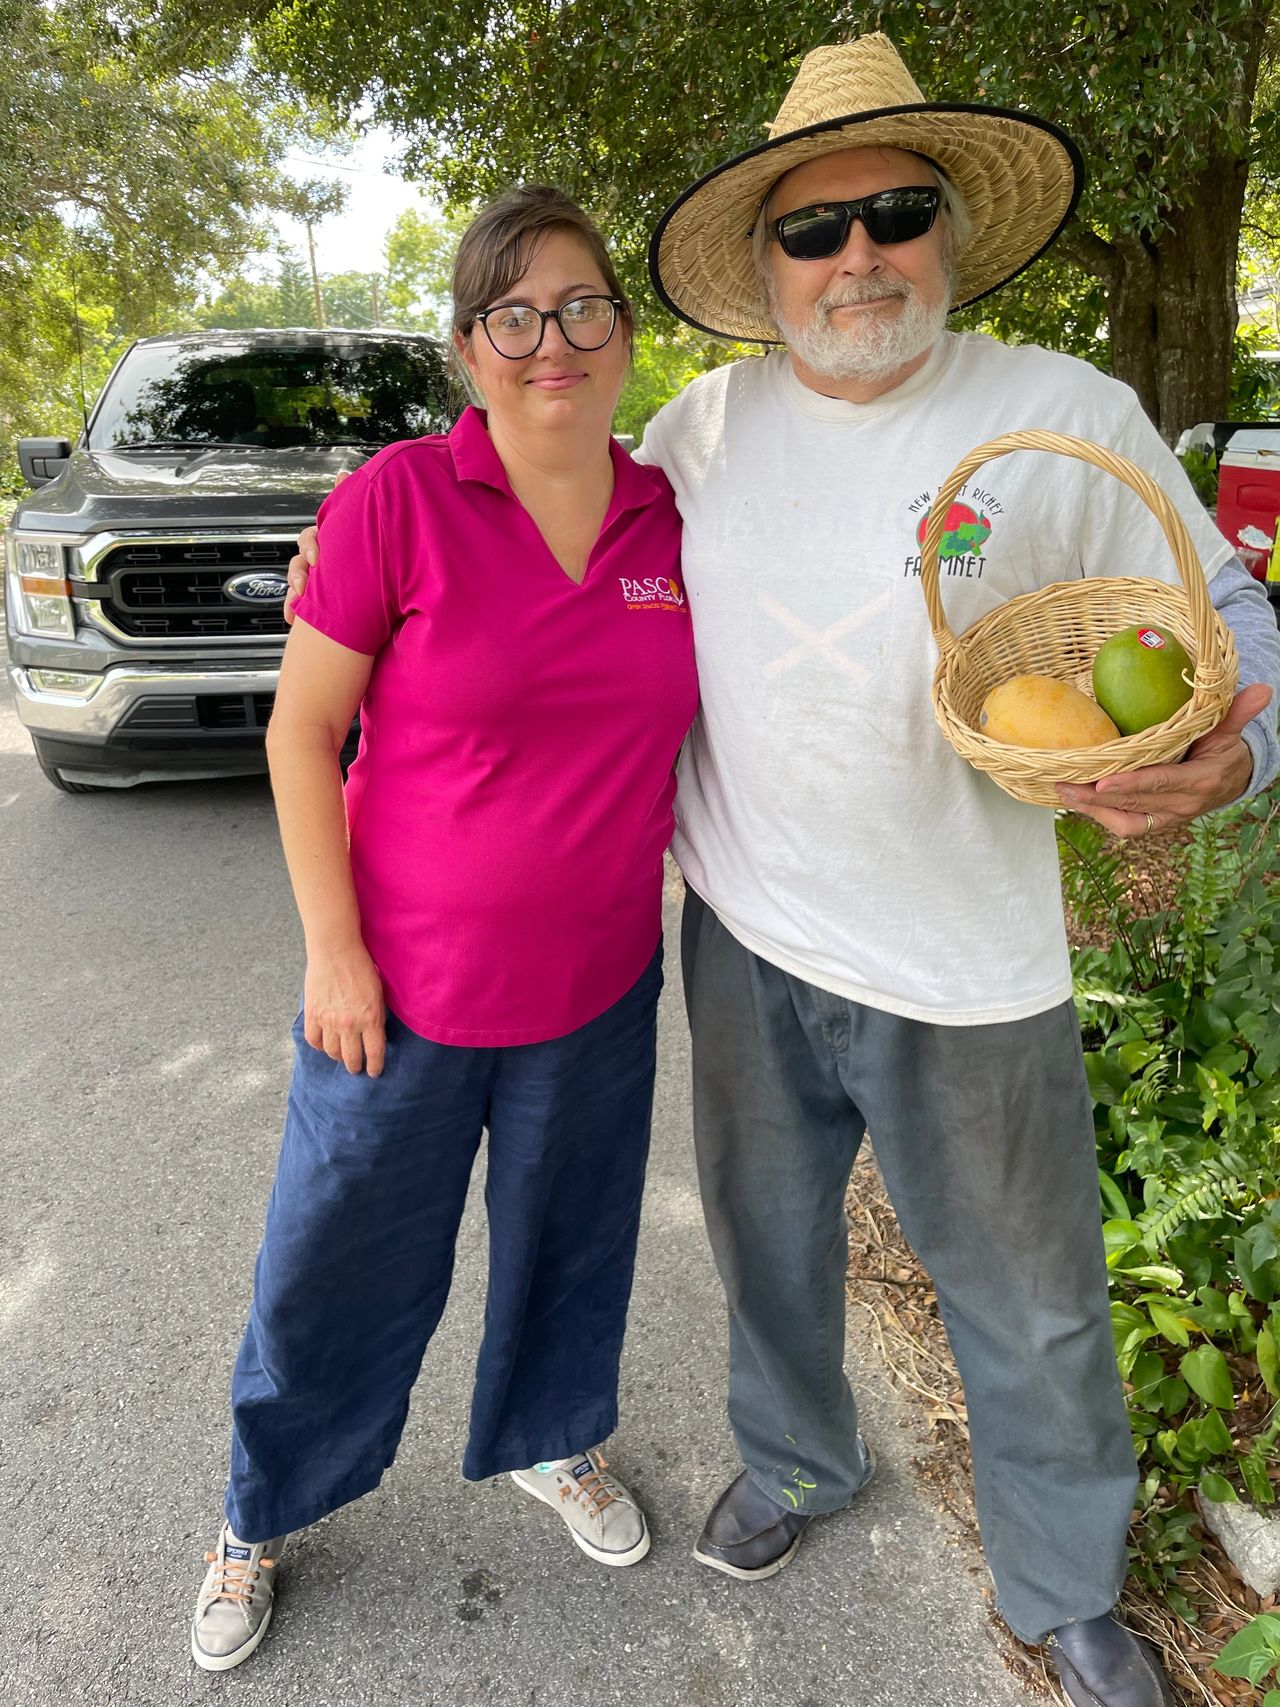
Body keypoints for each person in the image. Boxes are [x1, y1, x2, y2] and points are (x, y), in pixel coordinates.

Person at [287, 37, 1280, 1707]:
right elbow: (543, 554)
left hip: (970, 962)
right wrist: (358, 565)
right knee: (766, 1245)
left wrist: (1232, 754)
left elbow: (1234, 623)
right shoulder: (696, 427)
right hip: (744, 934)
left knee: (1028, 1299)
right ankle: (801, 1461)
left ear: (952, 231)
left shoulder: (1064, 415)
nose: (858, 256)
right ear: (766, 267)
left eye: (895, 213)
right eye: (815, 231)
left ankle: (1063, 1582)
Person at [190, 186, 698, 1673]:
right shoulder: (396, 500)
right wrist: (332, 952)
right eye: (516, 315)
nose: (556, 340)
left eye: (584, 306)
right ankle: (255, 1513)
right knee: (333, 1261)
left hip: (598, 984)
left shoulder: (674, 516)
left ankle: (556, 1440)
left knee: (573, 1244)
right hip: (395, 993)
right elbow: (301, 738)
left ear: (622, 330)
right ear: (472, 348)